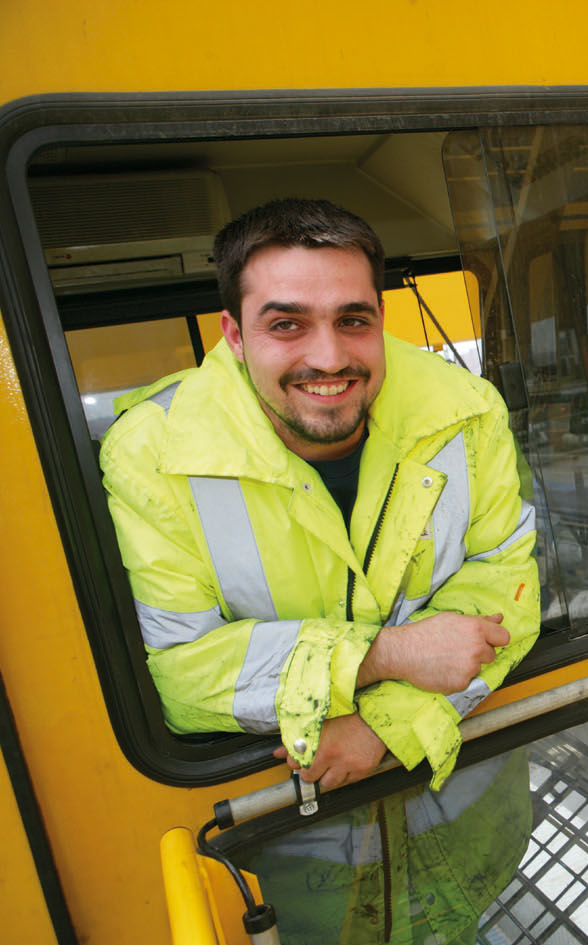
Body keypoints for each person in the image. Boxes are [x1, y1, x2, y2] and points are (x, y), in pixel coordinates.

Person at [100, 197, 540, 943]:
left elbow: (508, 587)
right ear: (234, 335)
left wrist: (383, 724)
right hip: (303, 863)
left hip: (474, 817)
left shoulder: (465, 412)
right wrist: (386, 655)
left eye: (353, 319)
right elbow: (183, 672)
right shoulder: (153, 454)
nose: (330, 357)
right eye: (286, 323)